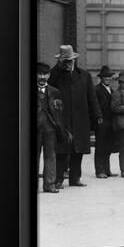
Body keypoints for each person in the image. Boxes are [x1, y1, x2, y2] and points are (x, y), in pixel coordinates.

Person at [49, 45, 102, 188]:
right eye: (65, 61)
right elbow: (49, 83)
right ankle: (58, 179)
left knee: (78, 151)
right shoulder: (56, 75)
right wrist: (58, 67)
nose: (68, 63)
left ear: (74, 60)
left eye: (70, 60)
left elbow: (92, 97)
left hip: (80, 119)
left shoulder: (84, 75)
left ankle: (75, 178)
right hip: (62, 119)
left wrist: (97, 115)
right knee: (61, 150)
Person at [36, 62, 70, 193]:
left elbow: (60, 113)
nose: (42, 77)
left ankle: (49, 184)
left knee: (50, 156)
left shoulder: (55, 92)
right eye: (39, 74)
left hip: (50, 130)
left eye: (45, 74)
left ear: (49, 75)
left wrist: (61, 129)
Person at [94, 65, 119, 178]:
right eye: (105, 76)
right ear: (101, 78)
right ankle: (100, 171)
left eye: (109, 76)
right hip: (101, 122)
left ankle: (107, 169)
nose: (108, 78)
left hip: (111, 122)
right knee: (100, 146)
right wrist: (98, 118)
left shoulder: (112, 91)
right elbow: (95, 106)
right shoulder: (96, 89)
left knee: (108, 146)